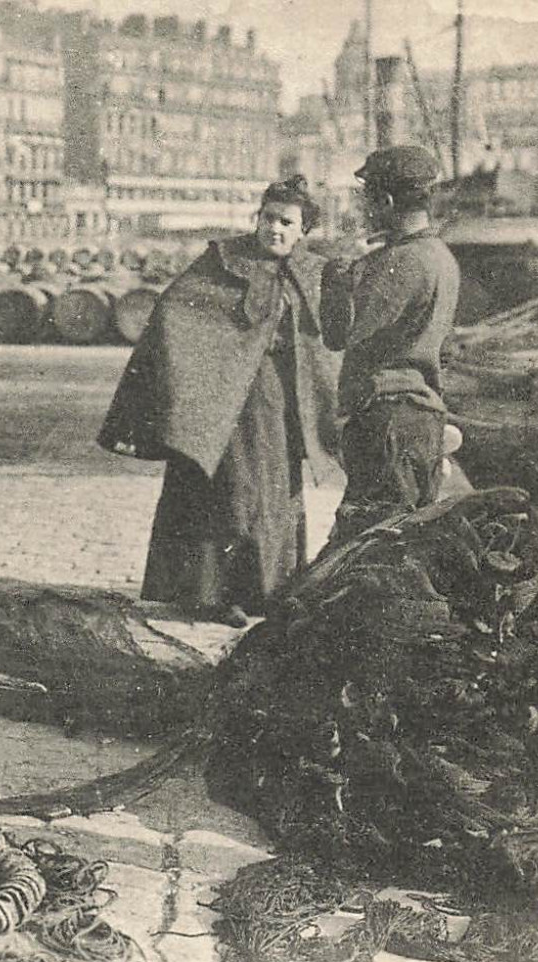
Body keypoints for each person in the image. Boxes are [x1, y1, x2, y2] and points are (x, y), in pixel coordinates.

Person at [99, 175, 342, 627]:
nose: (274, 229)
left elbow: (327, 338)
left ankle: (269, 590)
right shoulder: (222, 261)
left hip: (279, 402)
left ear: (303, 229)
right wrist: (192, 381)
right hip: (224, 406)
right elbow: (174, 313)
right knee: (228, 490)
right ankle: (213, 594)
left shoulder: (314, 273)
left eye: (286, 222)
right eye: (268, 218)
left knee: (276, 495)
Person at [321, 145, 462, 541]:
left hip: (387, 419)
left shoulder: (400, 262)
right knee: (406, 539)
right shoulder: (441, 256)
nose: (363, 208)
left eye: (367, 198)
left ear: (384, 201)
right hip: (423, 417)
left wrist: (337, 274)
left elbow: (339, 335)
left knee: (368, 544)